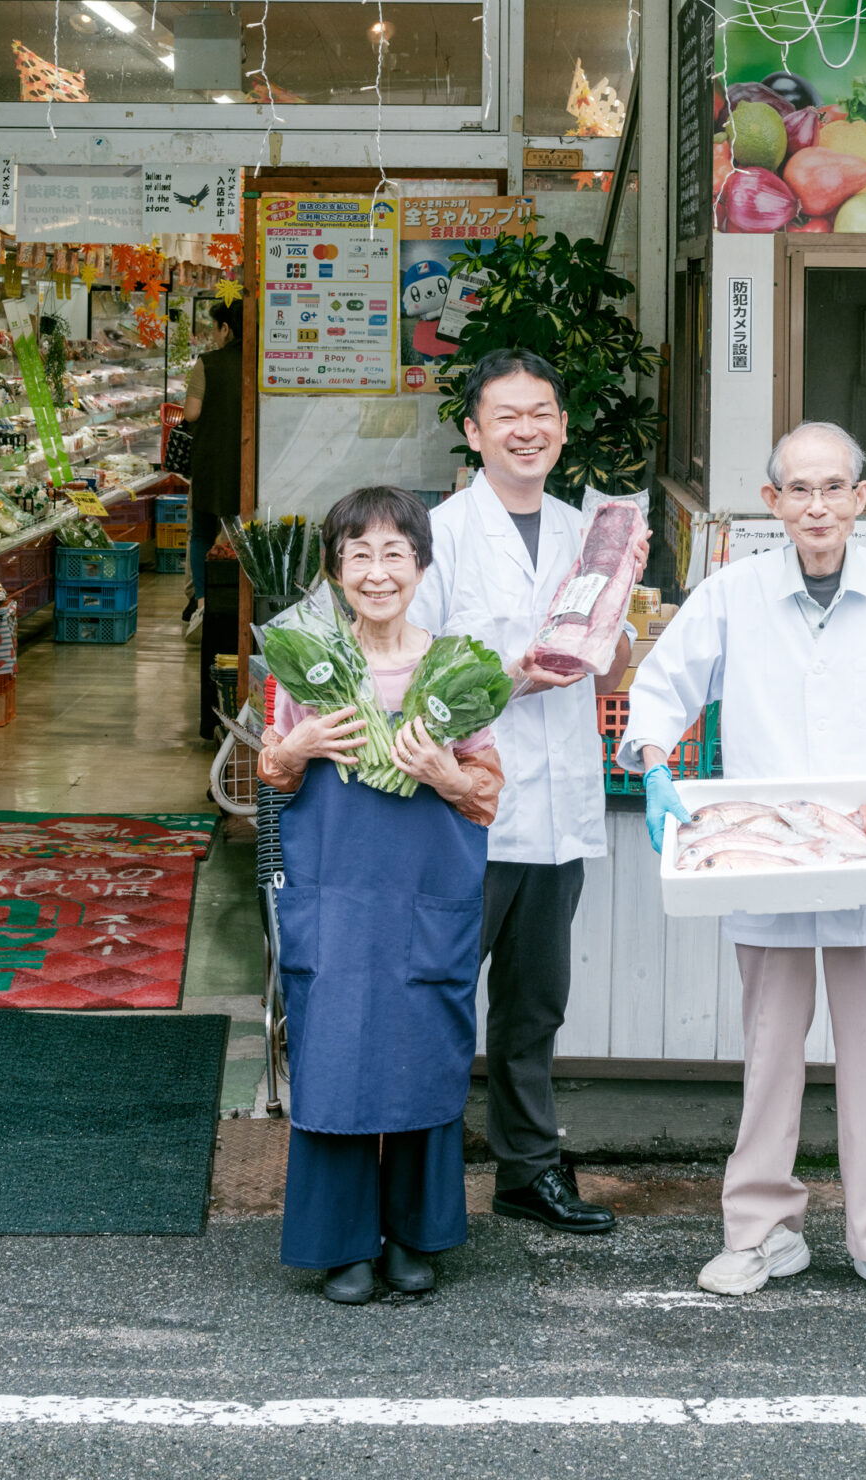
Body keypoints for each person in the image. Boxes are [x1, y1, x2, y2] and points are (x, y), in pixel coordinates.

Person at [624, 420, 866, 1308]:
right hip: (769, 851)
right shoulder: (732, 593)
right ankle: (760, 1234)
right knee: (768, 1052)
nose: (817, 504)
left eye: (834, 488)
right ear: (772, 503)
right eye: (799, 488)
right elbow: (663, 682)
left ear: (861, 500)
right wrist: (652, 764)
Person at [408, 346, 642, 1236]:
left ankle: (526, 1170)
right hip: (467, 803)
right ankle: (417, 1175)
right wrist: (508, 679)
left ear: (562, 426)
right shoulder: (437, 536)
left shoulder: (595, 530)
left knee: (535, 1003)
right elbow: (413, 683)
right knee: (438, 990)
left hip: (558, 807)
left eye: (540, 412)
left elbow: (610, 661)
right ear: (472, 433)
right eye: (505, 415)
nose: (525, 429)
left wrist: (613, 635)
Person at [257, 484, 505, 1304]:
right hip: (334, 895)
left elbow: (486, 796)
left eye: (393, 553)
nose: (375, 571)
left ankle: (414, 1235)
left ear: (422, 567)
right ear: (334, 571)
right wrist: (294, 746)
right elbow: (265, 782)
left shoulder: (456, 668)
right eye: (357, 554)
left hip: (421, 898)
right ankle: (341, 1245)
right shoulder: (304, 665)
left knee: (417, 1051)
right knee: (334, 1054)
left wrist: (442, 770)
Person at [179, 297, 242, 732]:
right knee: (237, 536)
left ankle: (203, 601)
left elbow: (191, 413)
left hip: (209, 462)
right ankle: (236, 599)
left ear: (223, 327)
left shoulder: (206, 363)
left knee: (202, 530)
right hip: (246, 465)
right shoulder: (255, 363)